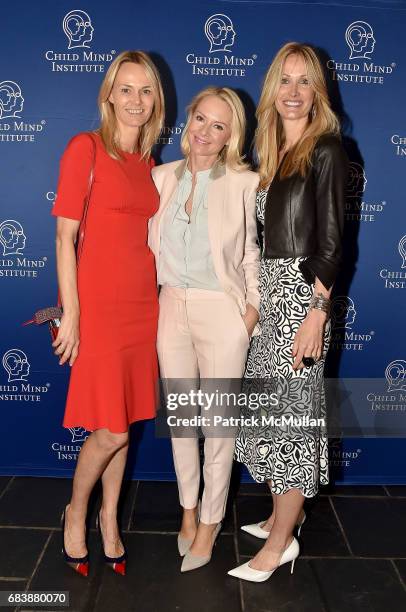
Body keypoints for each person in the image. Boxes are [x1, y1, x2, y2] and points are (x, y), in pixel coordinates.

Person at [229, 42, 348, 582]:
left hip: (304, 297)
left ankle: (280, 545)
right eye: (286, 81)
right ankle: (281, 515)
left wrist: (317, 313)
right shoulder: (273, 152)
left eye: (305, 82)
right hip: (272, 296)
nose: (294, 93)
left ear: (317, 92)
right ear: (273, 88)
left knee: (294, 426)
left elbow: (332, 241)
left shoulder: (327, 149)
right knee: (270, 418)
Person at [51, 50, 164, 576]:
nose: (136, 100)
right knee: (111, 430)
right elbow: (64, 236)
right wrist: (71, 314)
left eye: (146, 91)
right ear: (108, 94)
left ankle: (109, 518)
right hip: (98, 304)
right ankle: (76, 512)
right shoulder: (85, 148)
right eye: (126, 88)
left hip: (144, 305)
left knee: (128, 420)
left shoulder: (149, 162)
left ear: (156, 101)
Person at [149, 86, 260, 572]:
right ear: (188, 120)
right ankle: (188, 512)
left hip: (221, 311)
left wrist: (250, 310)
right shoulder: (159, 178)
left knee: (217, 425)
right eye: (201, 119)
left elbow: (252, 253)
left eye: (220, 125)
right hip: (170, 306)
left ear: (232, 135)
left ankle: (212, 522)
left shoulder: (244, 182)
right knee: (181, 421)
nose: (206, 132)